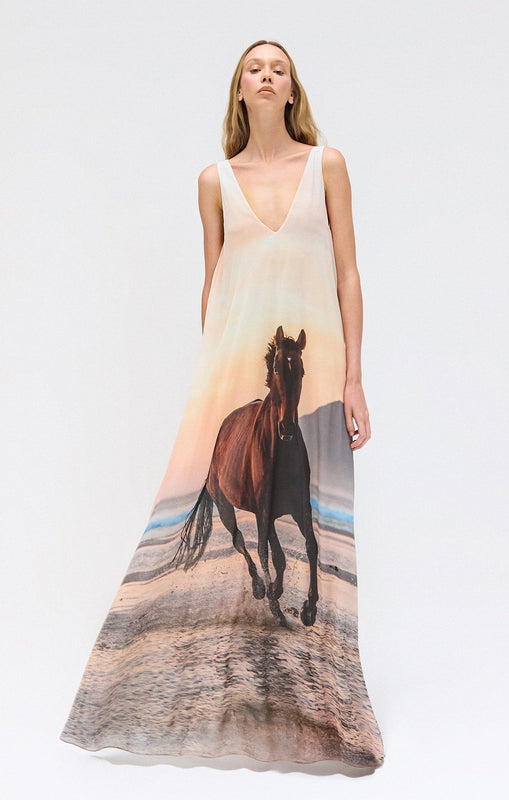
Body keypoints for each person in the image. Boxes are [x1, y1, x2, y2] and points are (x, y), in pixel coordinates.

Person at [60, 38, 385, 772]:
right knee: (192, 506)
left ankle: (321, 698)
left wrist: (355, 379)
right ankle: (188, 680)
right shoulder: (214, 181)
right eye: (253, 70)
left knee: (319, 530)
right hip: (235, 370)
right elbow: (214, 285)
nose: (266, 77)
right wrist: (212, 380)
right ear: (240, 91)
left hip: (315, 377)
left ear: (292, 91)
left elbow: (348, 273)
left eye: (278, 69)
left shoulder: (327, 166)